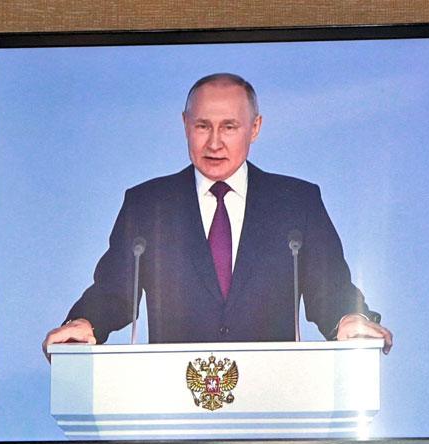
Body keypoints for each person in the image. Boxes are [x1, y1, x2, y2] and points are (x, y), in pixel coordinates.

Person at [43, 73, 393, 357]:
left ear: (254, 128)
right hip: (172, 403)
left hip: (273, 396)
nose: (214, 143)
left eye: (229, 127)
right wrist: (85, 322)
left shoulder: (296, 202)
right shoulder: (147, 205)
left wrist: (351, 317)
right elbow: (115, 291)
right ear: (185, 124)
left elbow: (328, 289)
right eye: (202, 126)